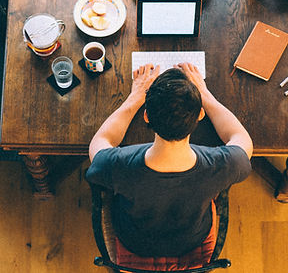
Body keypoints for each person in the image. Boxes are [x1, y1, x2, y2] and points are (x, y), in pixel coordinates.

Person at [86, 62, 253, 258]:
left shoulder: (118, 165)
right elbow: (241, 138)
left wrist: (135, 97)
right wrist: (205, 95)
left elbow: (100, 141)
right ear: (200, 114)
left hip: (134, 239)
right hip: (191, 239)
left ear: (146, 116)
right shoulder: (222, 166)